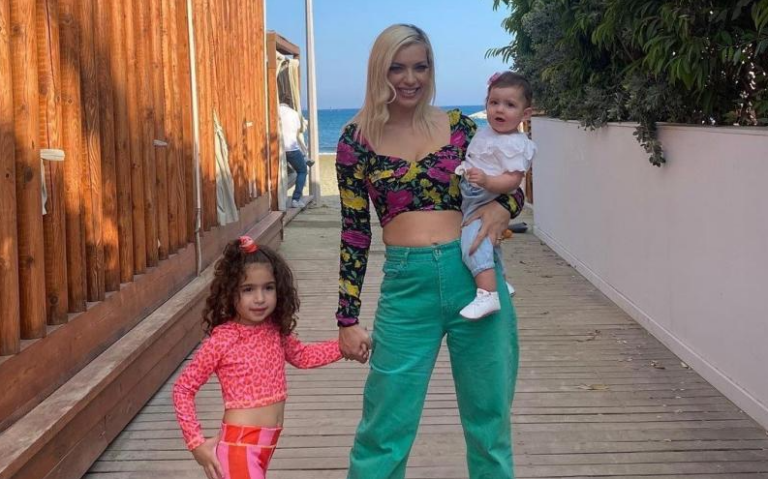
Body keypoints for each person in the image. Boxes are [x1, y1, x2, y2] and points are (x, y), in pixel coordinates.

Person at [334, 24, 526, 479]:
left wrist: (503, 209)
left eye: (420, 67)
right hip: (406, 288)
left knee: (489, 422)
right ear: (379, 71)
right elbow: (355, 231)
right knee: (384, 425)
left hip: (474, 278)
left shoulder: (462, 128)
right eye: (396, 68)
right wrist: (347, 317)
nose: (409, 79)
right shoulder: (355, 141)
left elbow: (514, 184)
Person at [172, 237, 342, 479]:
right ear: (230, 291)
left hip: (264, 447)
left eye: (268, 287)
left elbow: (303, 356)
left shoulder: (274, 329)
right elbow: (183, 389)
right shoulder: (224, 339)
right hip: (240, 447)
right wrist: (195, 443)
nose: (260, 298)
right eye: (248, 289)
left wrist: (343, 346)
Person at [455, 71, 536, 320]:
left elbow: (513, 181)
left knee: (473, 243)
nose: (499, 109)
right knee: (488, 241)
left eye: (509, 105)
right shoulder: (486, 132)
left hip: (484, 194)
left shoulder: (515, 143)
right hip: (473, 193)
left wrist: (488, 182)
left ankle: (487, 293)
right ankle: (500, 281)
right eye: (494, 103)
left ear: (525, 114)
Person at [278, 92, 312, 209]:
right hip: (291, 149)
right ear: (290, 103)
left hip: (277, 149)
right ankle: (295, 199)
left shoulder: (274, 112)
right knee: (302, 171)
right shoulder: (294, 113)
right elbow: (297, 131)